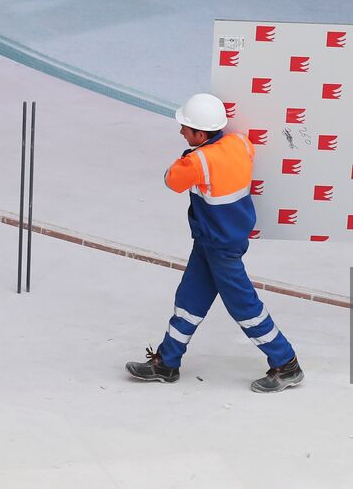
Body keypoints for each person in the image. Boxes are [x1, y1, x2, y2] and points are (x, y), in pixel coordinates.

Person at [126, 92, 304, 393]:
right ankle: (167, 363)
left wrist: (189, 157)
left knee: (245, 307)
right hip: (214, 242)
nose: (181, 131)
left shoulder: (197, 161)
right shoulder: (240, 144)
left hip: (219, 248)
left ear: (200, 133)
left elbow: (171, 180)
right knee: (189, 301)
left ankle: (287, 364)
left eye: (185, 127)